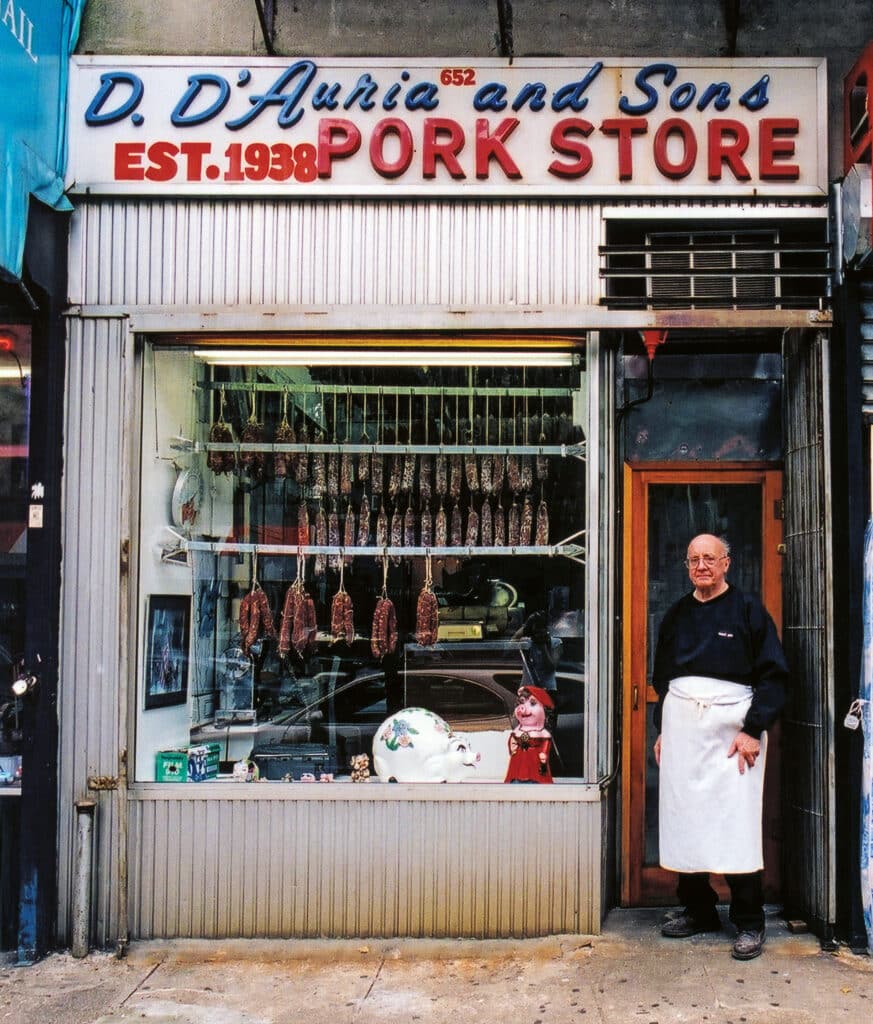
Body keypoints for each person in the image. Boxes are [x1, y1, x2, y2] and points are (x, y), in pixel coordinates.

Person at [652, 533, 789, 961]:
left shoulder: (748, 611)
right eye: (693, 559)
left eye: (710, 558)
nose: (701, 566)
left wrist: (753, 728)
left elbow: (773, 676)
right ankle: (699, 911)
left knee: (735, 824)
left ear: (727, 563)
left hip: (735, 736)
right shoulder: (676, 615)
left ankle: (749, 921)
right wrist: (663, 731)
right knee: (685, 820)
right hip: (684, 734)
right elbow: (663, 680)